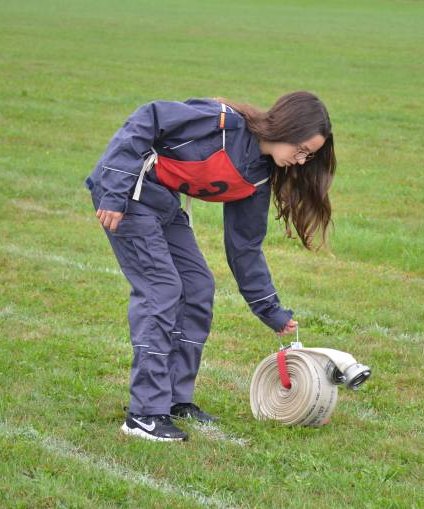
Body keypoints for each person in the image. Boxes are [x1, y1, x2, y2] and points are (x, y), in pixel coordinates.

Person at [83, 91, 335, 442]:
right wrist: (114, 191)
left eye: (309, 155)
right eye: (302, 149)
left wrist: (271, 310)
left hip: (161, 203)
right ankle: (144, 414)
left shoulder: (258, 177)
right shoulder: (221, 122)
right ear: (288, 128)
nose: (302, 160)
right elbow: (147, 118)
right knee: (162, 288)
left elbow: (244, 249)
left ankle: (174, 400)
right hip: (126, 195)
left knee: (197, 286)